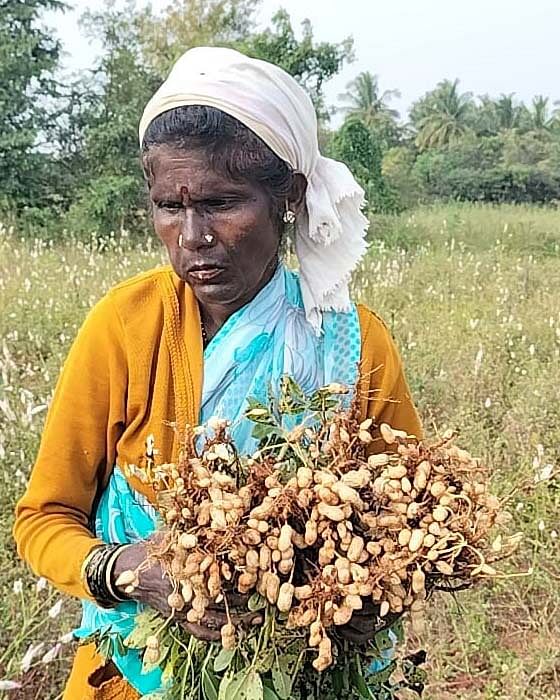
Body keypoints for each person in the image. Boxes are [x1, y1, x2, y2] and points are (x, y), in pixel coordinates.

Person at [14, 47, 422, 699]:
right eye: (169, 209)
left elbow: (410, 525)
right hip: (127, 679)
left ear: (286, 197)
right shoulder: (126, 326)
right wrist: (123, 569)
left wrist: (343, 598)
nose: (193, 237)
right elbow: (44, 518)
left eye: (220, 203)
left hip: (302, 677)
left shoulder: (351, 341)